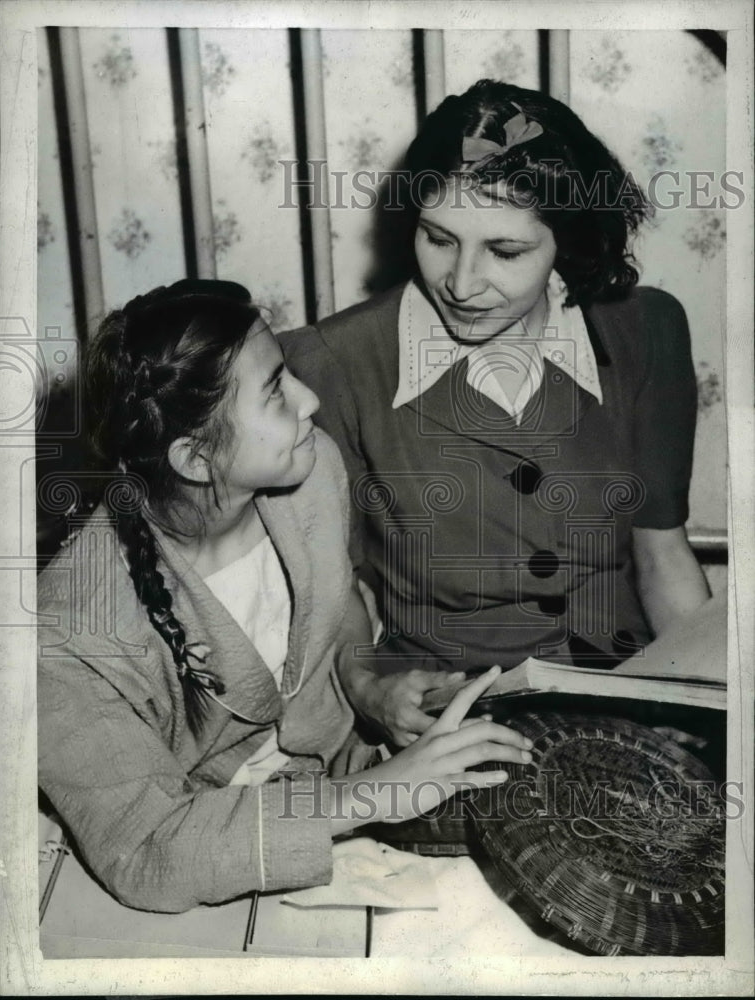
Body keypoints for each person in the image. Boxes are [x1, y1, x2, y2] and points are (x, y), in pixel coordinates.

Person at [36, 279, 533, 913]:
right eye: (275, 390)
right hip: (219, 846)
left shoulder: (309, 468)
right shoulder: (63, 635)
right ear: (195, 457)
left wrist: (367, 682)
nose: (310, 399)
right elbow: (147, 852)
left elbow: (340, 600)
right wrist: (379, 794)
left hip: (349, 773)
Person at [279, 79, 712, 750]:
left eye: (506, 252)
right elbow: (332, 592)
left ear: (567, 241)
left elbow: (663, 555)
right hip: (454, 720)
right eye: (438, 238)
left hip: (631, 699)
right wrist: (370, 689)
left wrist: (695, 707)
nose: (461, 282)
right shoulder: (328, 364)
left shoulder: (645, 329)